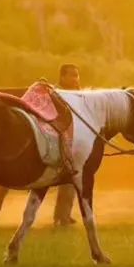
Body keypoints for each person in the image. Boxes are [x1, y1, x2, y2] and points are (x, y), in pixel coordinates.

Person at [53, 63, 82, 225]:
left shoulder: (75, 93)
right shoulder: (56, 93)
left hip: (70, 140)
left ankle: (63, 214)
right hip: (57, 141)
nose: (75, 79)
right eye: (72, 75)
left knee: (71, 180)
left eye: (77, 75)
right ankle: (62, 216)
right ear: (62, 77)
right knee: (70, 178)